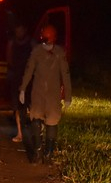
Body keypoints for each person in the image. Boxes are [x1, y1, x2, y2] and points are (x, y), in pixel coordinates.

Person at [20, 24, 72, 164]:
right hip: (38, 93)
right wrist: (23, 88)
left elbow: (65, 75)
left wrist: (68, 96)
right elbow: (29, 70)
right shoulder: (37, 51)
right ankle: (38, 152)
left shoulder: (60, 53)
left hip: (53, 95)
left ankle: (48, 154)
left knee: (52, 122)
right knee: (36, 121)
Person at [6, 23, 33, 143]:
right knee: (17, 107)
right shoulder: (12, 43)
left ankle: (35, 132)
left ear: (24, 30)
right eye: (17, 30)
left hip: (29, 79)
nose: (19, 33)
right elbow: (9, 58)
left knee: (30, 106)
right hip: (16, 78)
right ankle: (20, 133)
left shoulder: (31, 43)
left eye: (20, 30)